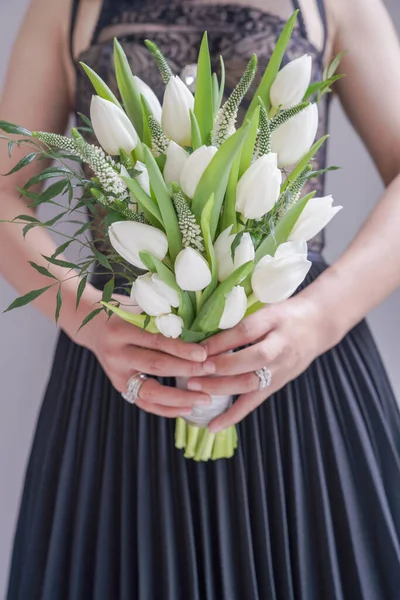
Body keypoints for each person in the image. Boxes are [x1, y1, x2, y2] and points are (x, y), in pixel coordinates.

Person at [1, 0, 400, 598]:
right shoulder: (64, 5)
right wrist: (87, 321)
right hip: (125, 365)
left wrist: (321, 317)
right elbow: (6, 189)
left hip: (294, 362)